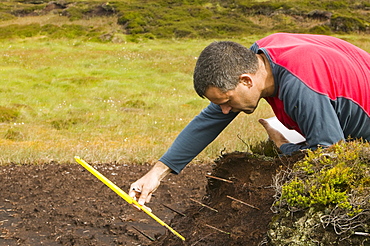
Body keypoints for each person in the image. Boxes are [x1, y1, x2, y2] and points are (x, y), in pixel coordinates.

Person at [129, 33, 370, 209]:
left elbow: (329, 154)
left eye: (226, 101)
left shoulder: (300, 85)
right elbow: (209, 120)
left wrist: (284, 145)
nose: (224, 111)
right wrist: (156, 173)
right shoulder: (260, 56)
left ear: (245, 81)